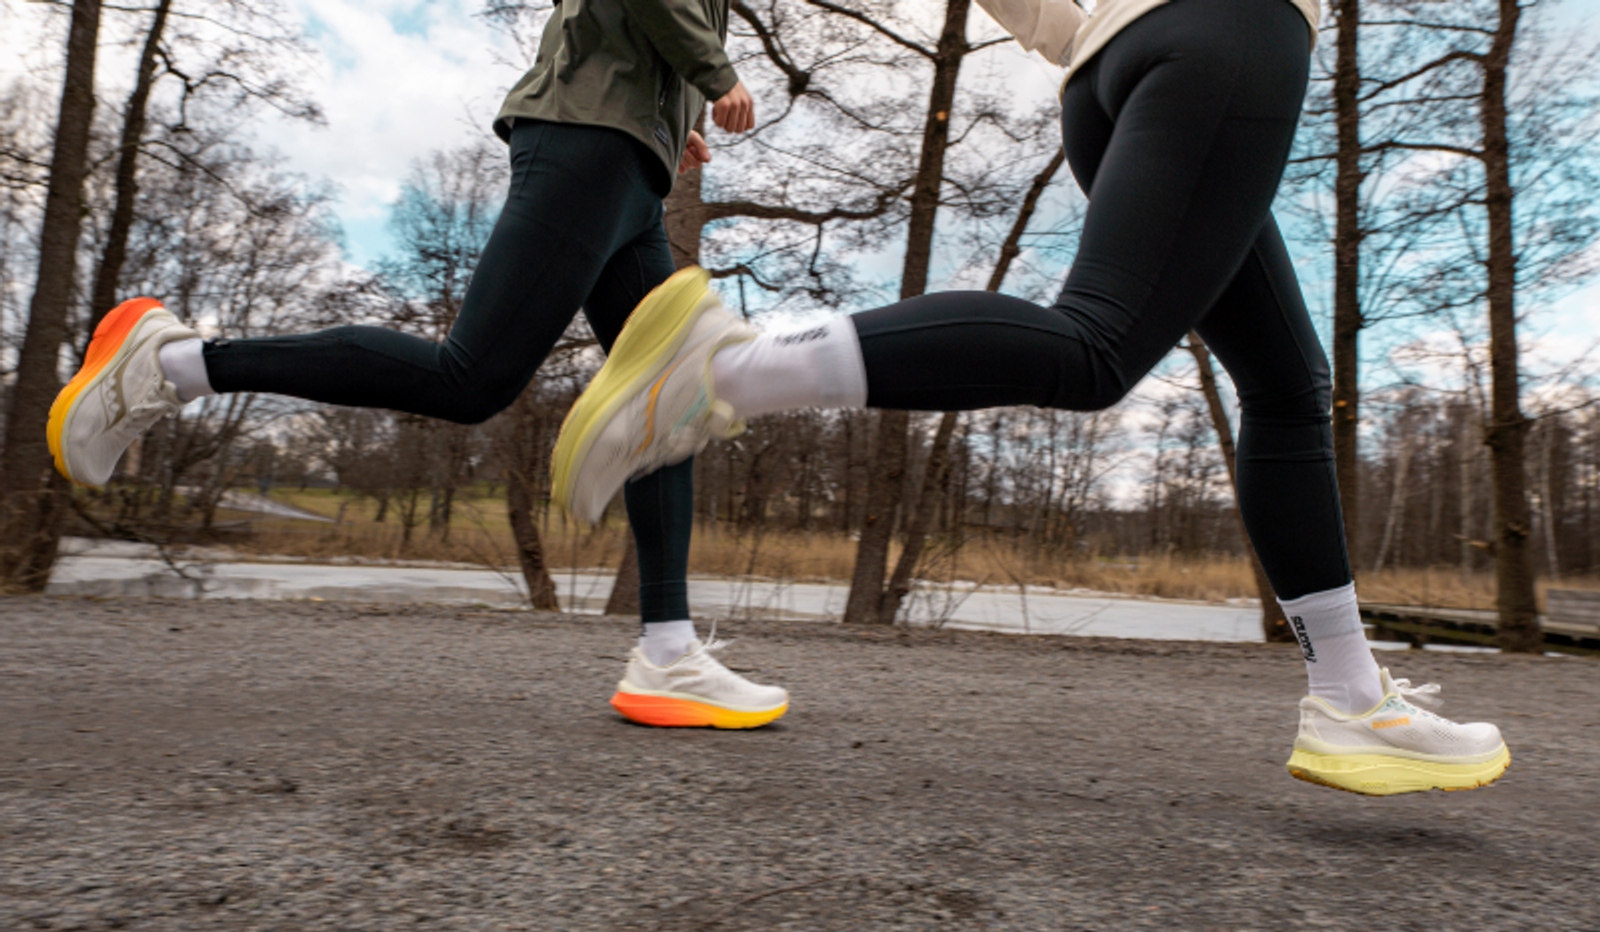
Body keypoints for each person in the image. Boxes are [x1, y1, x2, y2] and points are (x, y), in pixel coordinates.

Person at [549, 0, 1511, 792]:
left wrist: (1072, 37)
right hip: (1233, 37)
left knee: (1288, 383)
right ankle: (722, 368)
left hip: (1113, 70)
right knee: (1096, 345)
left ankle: (1349, 698)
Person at [47, 0, 789, 730]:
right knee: (469, 377)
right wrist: (712, 72)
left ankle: (668, 652)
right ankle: (175, 364)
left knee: (668, 396)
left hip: (631, 155)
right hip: (588, 136)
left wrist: (677, 118)